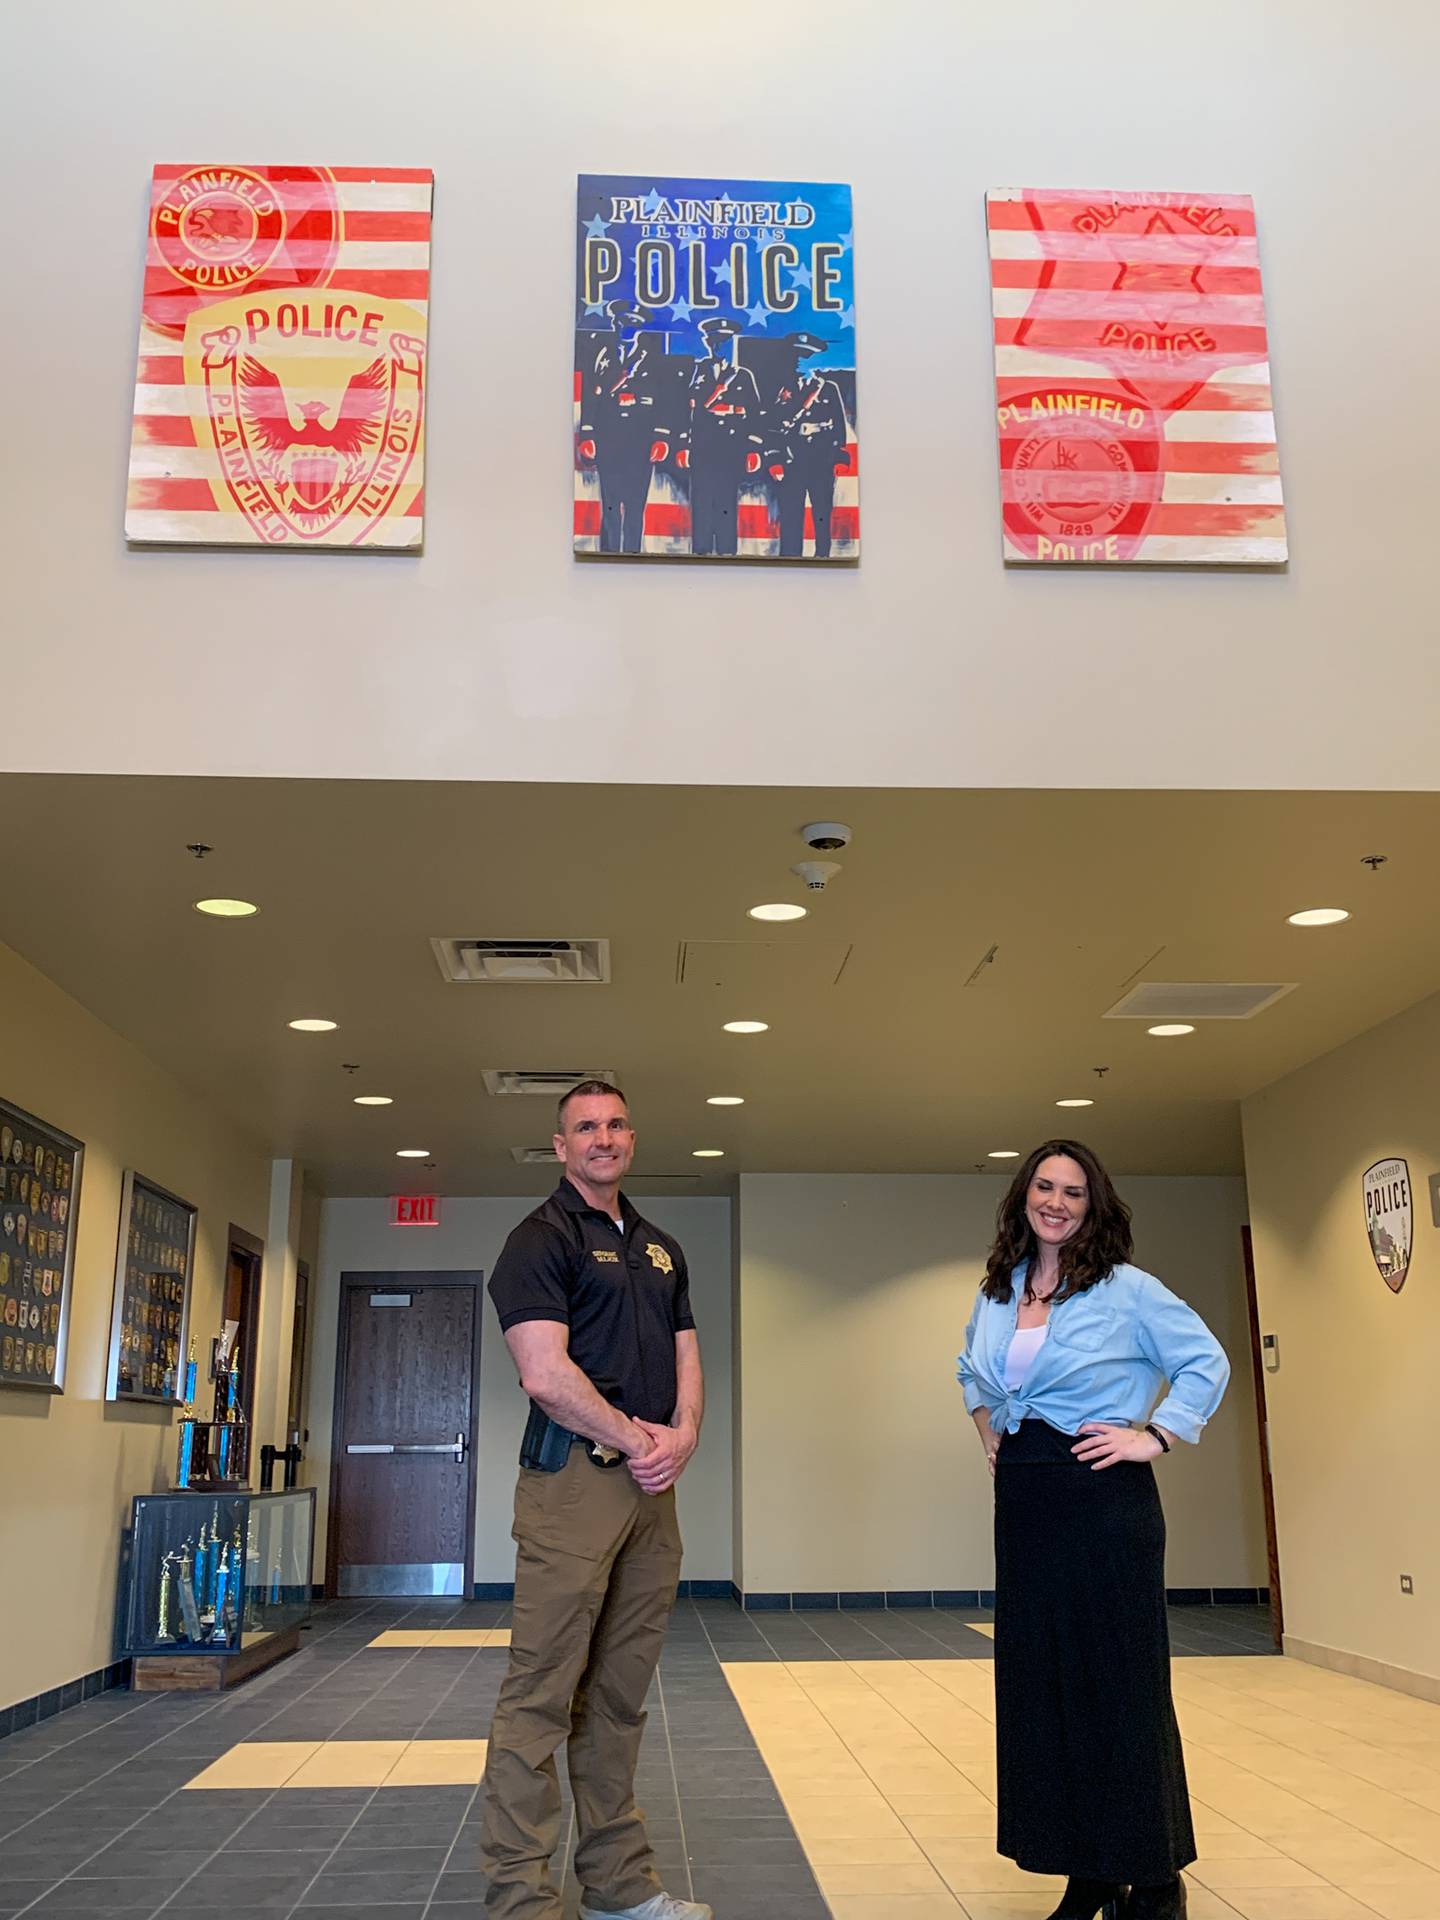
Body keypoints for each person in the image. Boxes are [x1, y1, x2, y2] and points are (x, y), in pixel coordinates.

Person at [956, 1140, 1230, 1920]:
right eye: (1044, 1186)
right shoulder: (1000, 1290)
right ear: (1023, 1197)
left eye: (1074, 1192)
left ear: (1093, 1205)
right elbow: (970, 1371)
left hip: (1105, 1502)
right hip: (1029, 1502)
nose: (1057, 1201)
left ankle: (1151, 1876)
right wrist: (989, 1435)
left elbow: (1205, 1361)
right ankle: (1089, 1873)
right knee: (1047, 1691)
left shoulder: (1129, 1290)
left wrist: (1156, 1435)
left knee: (1119, 1690)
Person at [480, 1080, 709, 1920]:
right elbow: (544, 1373)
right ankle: (520, 1901)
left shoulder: (659, 1246)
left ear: (632, 1138)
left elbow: (688, 1352)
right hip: (573, 1483)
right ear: (560, 1145)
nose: (602, 1137)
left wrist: (682, 1433)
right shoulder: (536, 1241)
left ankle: (619, 1888)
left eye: (615, 1124)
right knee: (540, 1696)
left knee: (617, 1696)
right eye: (586, 1127)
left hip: (652, 1491)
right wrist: (634, 1434)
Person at [577, 301, 676, 554]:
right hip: (608, 440)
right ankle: (608, 555)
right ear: (615, 324)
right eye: (621, 324)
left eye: (632, 325)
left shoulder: (653, 362)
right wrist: (587, 433)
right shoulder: (601, 357)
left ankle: (633, 554)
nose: (625, 330)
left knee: (634, 506)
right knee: (609, 504)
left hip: (639, 443)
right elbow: (590, 396)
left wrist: (661, 438)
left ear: (639, 330)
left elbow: (665, 402)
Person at [683, 314, 765, 556]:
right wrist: (683, 444)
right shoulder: (695, 371)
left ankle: (728, 553)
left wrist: (753, 448)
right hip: (702, 447)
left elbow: (755, 415)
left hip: (731, 448)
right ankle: (700, 553)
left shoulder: (742, 376)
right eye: (715, 341)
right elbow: (682, 409)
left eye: (725, 341)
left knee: (727, 502)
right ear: (708, 343)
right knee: (701, 502)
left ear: (732, 343)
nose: (719, 345)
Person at [764, 331, 850, 558]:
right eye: (796, 355)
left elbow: (839, 426)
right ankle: (791, 557)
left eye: (806, 356)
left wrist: (840, 457)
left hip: (822, 459)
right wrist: (774, 459)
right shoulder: (780, 389)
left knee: (822, 512)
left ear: (815, 359)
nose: (800, 360)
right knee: (791, 513)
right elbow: (771, 428)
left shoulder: (828, 388)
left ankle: (823, 556)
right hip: (792, 459)